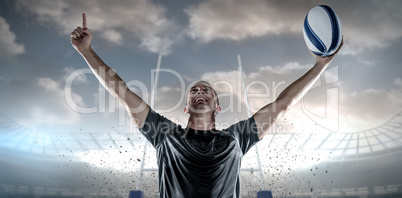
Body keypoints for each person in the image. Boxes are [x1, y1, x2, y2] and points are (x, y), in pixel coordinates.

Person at [71, 13, 343, 198]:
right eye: (194, 91)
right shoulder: (164, 134)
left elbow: (282, 104)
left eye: (206, 90)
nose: (199, 91)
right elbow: (121, 91)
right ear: (187, 107)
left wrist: (319, 66)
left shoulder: (237, 137)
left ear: (218, 106)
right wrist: (87, 51)